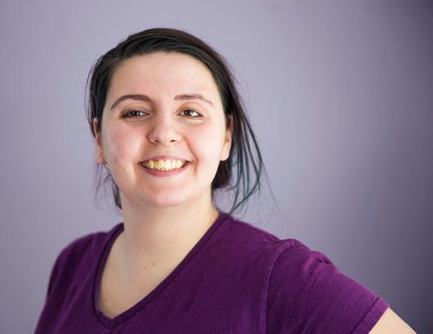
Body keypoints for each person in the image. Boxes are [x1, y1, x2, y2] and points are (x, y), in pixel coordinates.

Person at [35, 28, 414, 333]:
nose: (164, 133)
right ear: (99, 139)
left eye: (190, 111)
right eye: (135, 111)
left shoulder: (279, 279)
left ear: (227, 136)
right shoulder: (74, 265)